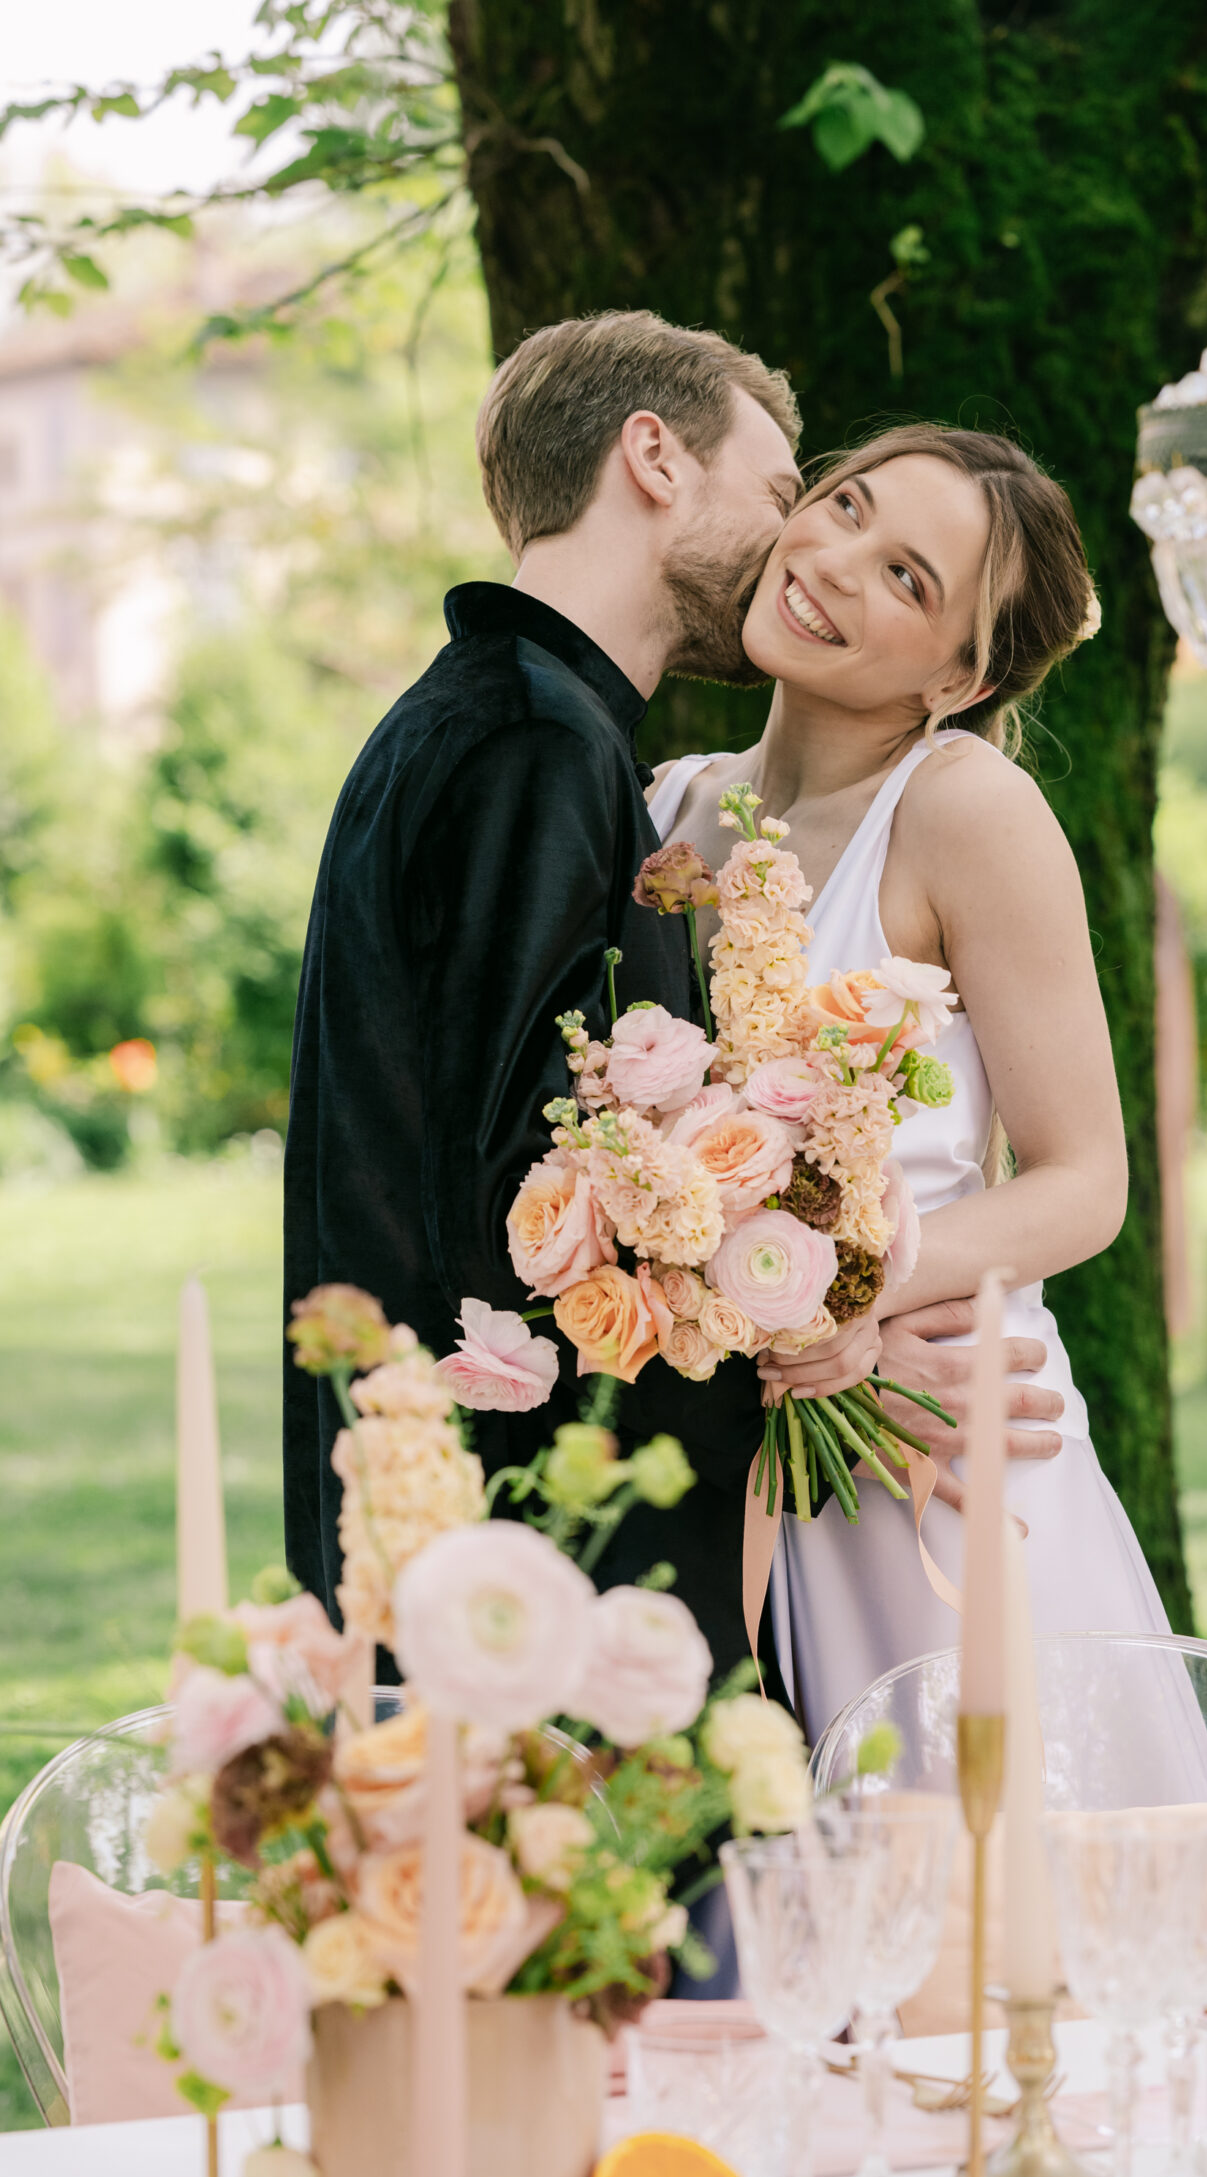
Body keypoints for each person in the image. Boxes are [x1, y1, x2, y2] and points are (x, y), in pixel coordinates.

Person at [647, 425, 1207, 1796]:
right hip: (732, 1467)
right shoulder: (660, 809)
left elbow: (1083, 1180)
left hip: (936, 1464)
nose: (836, 562)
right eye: (844, 507)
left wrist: (844, 1289)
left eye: (907, 577)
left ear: (957, 678)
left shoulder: (967, 811)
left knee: (986, 1879)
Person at [283, 309, 831, 1680]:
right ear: (654, 456)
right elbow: (527, 1187)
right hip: (530, 1559)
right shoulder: (533, 742)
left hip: (469, 1531)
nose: (793, 542)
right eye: (777, 492)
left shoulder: (495, 718)